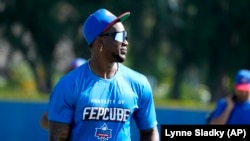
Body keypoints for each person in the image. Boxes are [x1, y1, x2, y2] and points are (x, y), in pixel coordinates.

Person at [47, 8, 159, 141]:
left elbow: (149, 132)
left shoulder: (139, 83)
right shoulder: (68, 85)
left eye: (126, 35)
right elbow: (58, 138)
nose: (126, 42)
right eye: (119, 36)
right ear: (100, 42)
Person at [40, 58, 87, 129]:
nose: (76, 74)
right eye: (73, 70)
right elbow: (44, 121)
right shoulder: (62, 92)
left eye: (79, 71)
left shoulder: (94, 94)